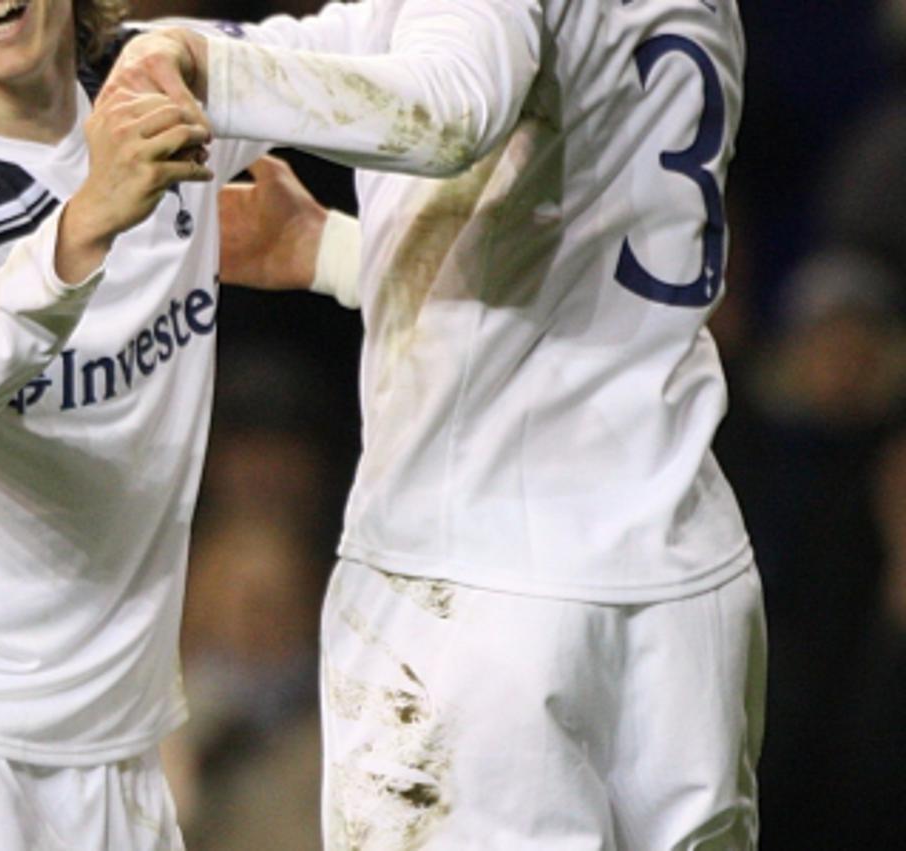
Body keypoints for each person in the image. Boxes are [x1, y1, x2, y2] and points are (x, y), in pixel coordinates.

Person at [107, 1, 767, 847]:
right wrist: (341, 252)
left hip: (485, 576)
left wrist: (202, 67)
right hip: (679, 569)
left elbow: (444, 109)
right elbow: (578, 205)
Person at [0, 1, 381, 849]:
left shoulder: (161, 87)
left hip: (121, 750)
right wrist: (81, 228)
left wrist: (333, 253)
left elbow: (391, 53)